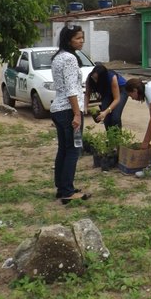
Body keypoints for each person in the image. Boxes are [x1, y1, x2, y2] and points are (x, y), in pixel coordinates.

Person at [50, 24, 91, 204]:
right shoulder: (69, 59)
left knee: (64, 150)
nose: (81, 41)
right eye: (77, 38)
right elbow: (71, 89)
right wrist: (77, 114)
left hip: (58, 109)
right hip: (68, 111)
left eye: (82, 37)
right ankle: (67, 191)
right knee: (74, 151)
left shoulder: (58, 57)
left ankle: (62, 187)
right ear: (68, 40)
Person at [84, 64, 128, 130]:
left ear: (102, 78)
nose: (95, 81)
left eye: (97, 78)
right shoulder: (90, 78)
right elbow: (87, 94)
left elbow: (117, 99)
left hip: (121, 89)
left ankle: (117, 139)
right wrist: (85, 107)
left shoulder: (112, 78)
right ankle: (110, 138)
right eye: (94, 77)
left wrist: (106, 111)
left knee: (115, 117)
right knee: (106, 118)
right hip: (107, 92)